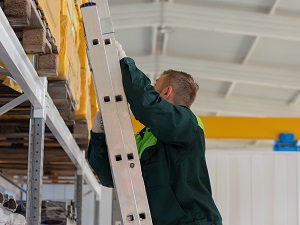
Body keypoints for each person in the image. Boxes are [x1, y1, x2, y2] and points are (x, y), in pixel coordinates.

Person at [87, 42, 222, 225]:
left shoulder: (190, 125)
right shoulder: (145, 138)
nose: (151, 88)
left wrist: (125, 65)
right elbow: (110, 176)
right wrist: (98, 133)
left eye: (154, 85)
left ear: (166, 92)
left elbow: (148, 105)